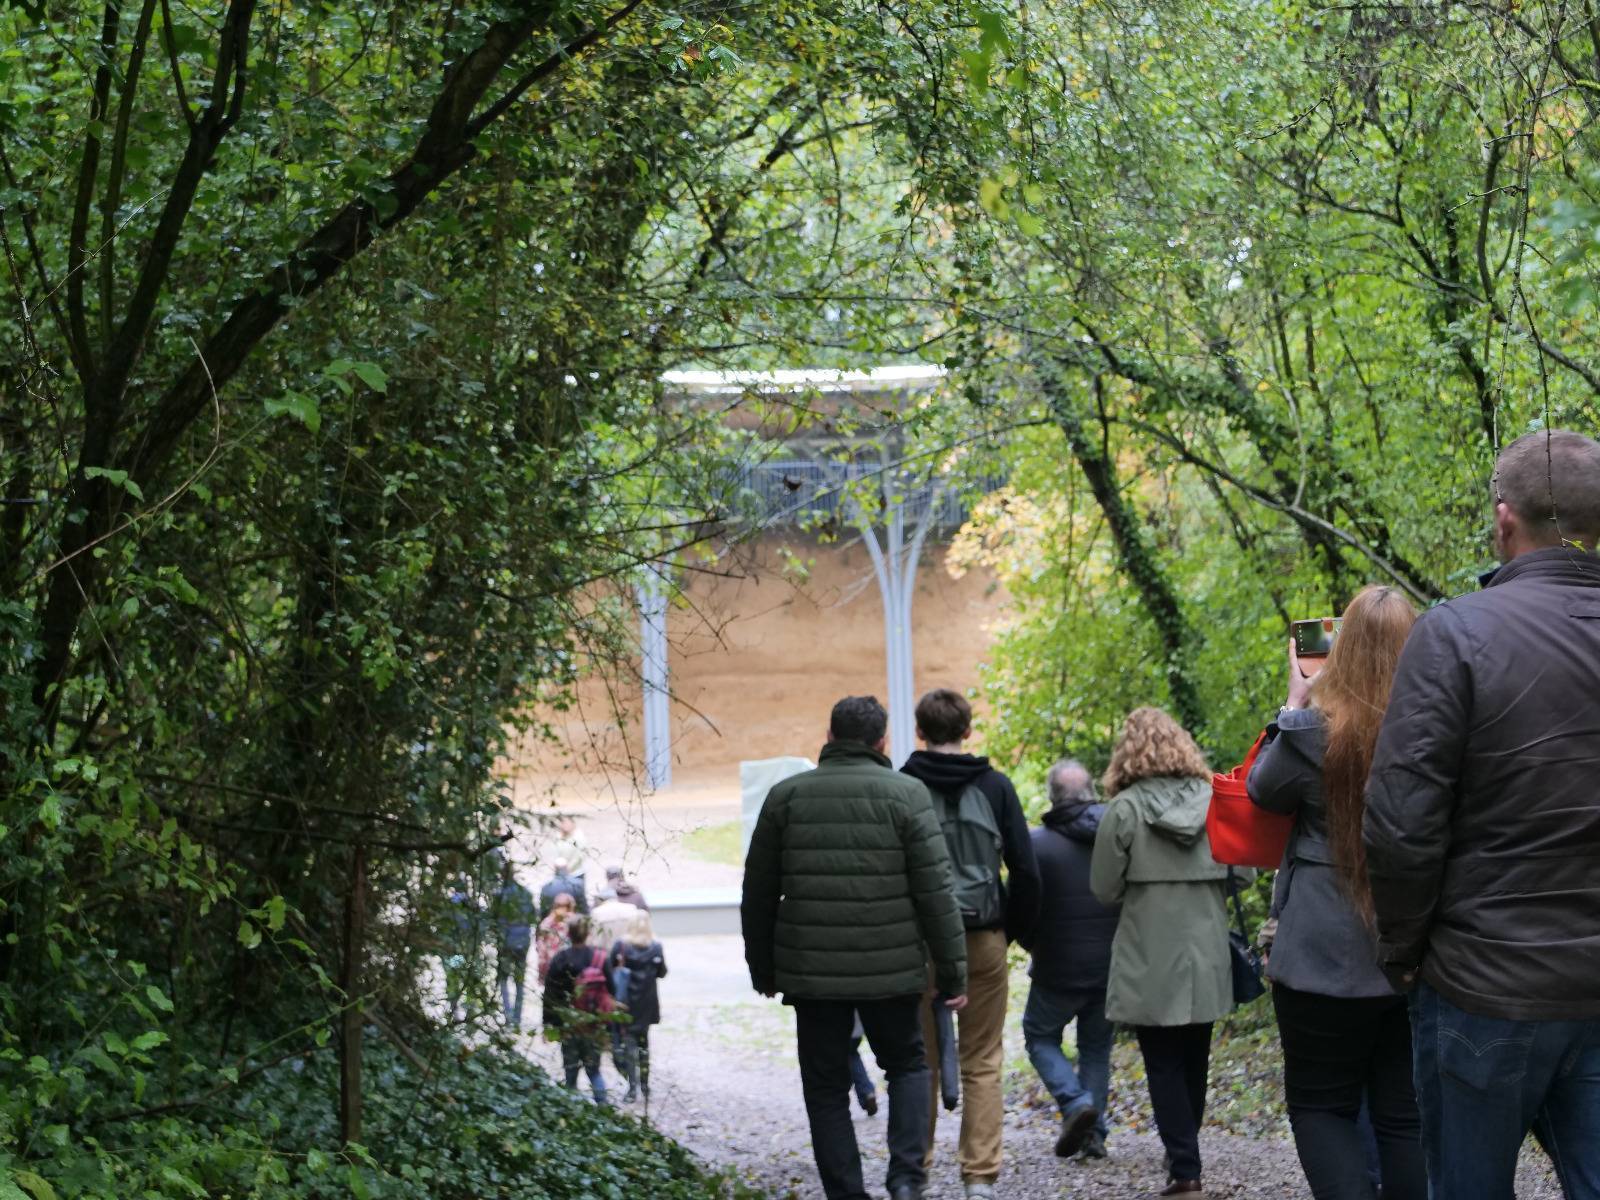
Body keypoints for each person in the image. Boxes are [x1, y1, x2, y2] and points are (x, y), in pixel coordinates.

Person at [1364, 429, 1600, 1198]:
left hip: (1482, 984)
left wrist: (1403, 951)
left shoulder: (1456, 634)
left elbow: (1401, 819)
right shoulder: (1457, 636)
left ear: (1505, 520)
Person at [742, 695, 969, 1200]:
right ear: (882, 742)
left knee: (825, 1089)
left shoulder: (786, 797)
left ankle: (847, 1193)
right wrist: (954, 974)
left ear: (830, 738)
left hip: (812, 975)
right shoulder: (908, 795)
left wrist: (764, 968)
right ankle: (906, 1180)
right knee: (908, 1065)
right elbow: (936, 894)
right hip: (891, 972)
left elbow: (757, 892)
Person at [1247, 585, 1426, 1200]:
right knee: (1405, 1116)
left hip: (1319, 954)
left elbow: (1261, 795)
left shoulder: (1308, 733)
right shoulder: (1436, 728)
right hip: (1413, 943)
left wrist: (1295, 701)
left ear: (1339, 649)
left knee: (1322, 1107)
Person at [1090, 707, 1244, 1198]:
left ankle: (1185, 1170)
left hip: (1147, 953)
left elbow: (1104, 889)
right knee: (1195, 1056)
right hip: (1206, 950)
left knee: (1162, 1062)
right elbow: (1243, 876)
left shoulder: (1124, 810)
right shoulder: (1215, 803)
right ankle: (1185, 1159)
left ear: (1126, 753)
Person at [899, 687, 1041, 1200]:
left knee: (920, 1059)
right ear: (966, 731)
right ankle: (979, 1176)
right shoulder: (997, 787)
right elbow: (1026, 870)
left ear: (920, 732)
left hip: (919, 942)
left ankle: (915, 1169)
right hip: (983, 937)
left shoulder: (903, 785)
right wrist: (1012, 931)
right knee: (982, 1057)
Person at [1021, 759, 1118, 1162]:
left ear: (1052, 797)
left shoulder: (1035, 844)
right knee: (1096, 1049)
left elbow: (1021, 909)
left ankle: (1075, 1102)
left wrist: (1032, 945)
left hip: (1056, 969)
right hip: (1112, 966)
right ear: (1091, 791)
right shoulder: (1118, 837)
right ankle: (1092, 1136)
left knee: (1039, 1035)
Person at [542, 915, 613, 1103]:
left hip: (569, 1025)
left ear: (568, 934)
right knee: (594, 1072)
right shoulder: (600, 958)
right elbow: (611, 993)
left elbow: (550, 995)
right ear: (588, 933)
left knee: (571, 1074)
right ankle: (604, 1111)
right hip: (593, 1025)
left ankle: (572, 1114)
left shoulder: (560, 959)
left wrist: (549, 1025)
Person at [610, 908, 668, 1103]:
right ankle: (645, 1086)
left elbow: (611, 970)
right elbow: (662, 973)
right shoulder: (656, 947)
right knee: (644, 1044)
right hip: (647, 1001)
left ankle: (632, 1087)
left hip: (626, 1002)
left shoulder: (621, 946)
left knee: (628, 1045)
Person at [492, 864, 538, 1028]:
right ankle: (516, 1018)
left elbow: (493, 919)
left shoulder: (499, 894)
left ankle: (508, 1015)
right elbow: (533, 917)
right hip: (522, 941)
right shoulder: (525, 893)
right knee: (519, 980)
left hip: (505, 942)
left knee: (504, 979)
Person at [536, 892, 576, 985]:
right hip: (563, 969)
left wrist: (541, 975)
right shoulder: (575, 922)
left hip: (558, 968)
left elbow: (541, 952)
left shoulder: (547, 923)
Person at [546, 815, 591, 892]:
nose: (565, 825)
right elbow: (554, 854)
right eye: (563, 823)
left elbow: (579, 856)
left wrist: (567, 869)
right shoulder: (558, 837)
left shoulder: (579, 838)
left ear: (573, 824)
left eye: (567, 823)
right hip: (559, 873)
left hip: (576, 873)